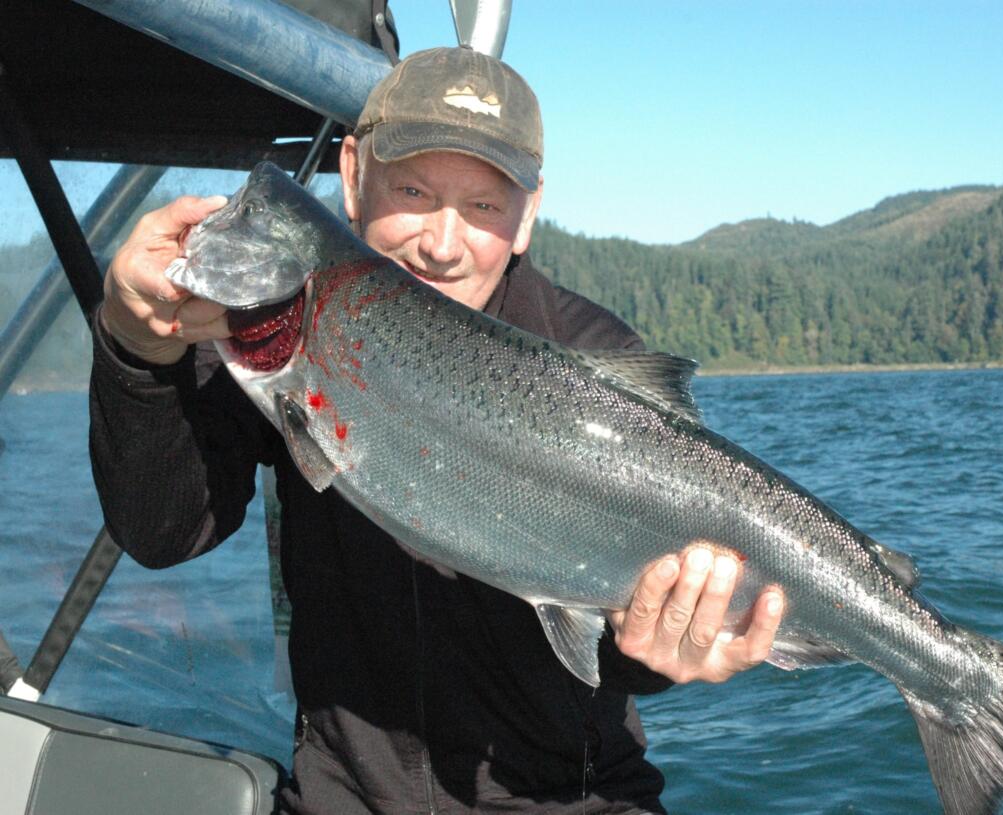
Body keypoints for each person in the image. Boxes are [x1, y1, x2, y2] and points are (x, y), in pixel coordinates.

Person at [89, 46, 783, 814]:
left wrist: (663, 648)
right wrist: (138, 348)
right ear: (353, 175)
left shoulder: (595, 363)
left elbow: (628, 649)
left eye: (485, 206)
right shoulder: (294, 316)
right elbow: (160, 529)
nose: (443, 245)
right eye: (414, 191)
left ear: (529, 214)